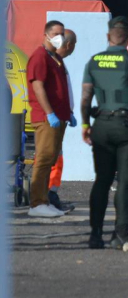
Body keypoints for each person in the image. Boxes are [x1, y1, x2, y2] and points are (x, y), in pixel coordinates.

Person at [79, 16, 128, 248]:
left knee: (102, 180)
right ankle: (121, 234)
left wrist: (86, 125)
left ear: (108, 36)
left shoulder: (94, 62)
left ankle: (95, 235)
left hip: (101, 126)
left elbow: (85, 98)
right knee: (124, 182)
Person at [25, 20, 75, 218]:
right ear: (46, 34)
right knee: (44, 159)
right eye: (56, 33)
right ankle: (37, 203)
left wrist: (67, 113)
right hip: (46, 118)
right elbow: (38, 87)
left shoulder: (54, 58)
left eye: (62, 33)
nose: (60, 37)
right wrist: (49, 113)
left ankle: (44, 200)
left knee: (51, 158)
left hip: (58, 117)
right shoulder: (39, 57)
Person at [46, 28, 78, 213]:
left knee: (56, 159)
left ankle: (51, 194)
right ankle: (48, 196)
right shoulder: (52, 62)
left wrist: (69, 111)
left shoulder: (58, 62)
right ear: (68, 44)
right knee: (52, 159)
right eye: (74, 44)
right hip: (54, 118)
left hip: (61, 116)